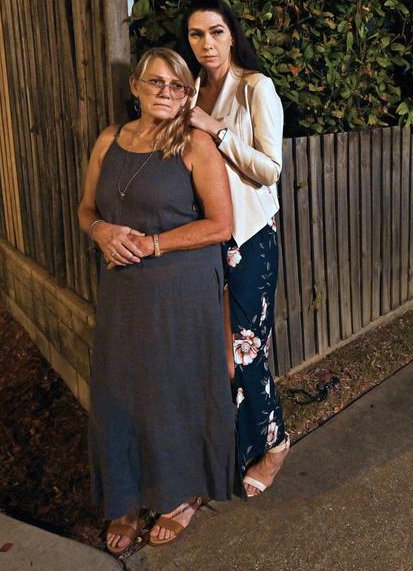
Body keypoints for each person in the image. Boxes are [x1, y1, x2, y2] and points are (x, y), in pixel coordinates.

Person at [77, 47, 236, 554]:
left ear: (188, 94)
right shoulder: (110, 139)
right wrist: (100, 229)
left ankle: (181, 495)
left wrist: (153, 244)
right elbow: (85, 209)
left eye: (178, 86)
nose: (166, 93)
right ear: (136, 88)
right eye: (156, 83)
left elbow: (221, 225)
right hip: (123, 289)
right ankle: (124, 497)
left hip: (181, 287)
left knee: (173, 392)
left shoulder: (194, 144)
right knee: (119, 390)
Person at [175, 0, 290, 498]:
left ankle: (276, 444)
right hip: (205, 238)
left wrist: (216, 131)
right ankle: (235, 449)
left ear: (232, 34)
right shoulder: (192, 89)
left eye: (216, 32)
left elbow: (270, 169)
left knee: (247, 352)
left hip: (249, 237)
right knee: (219, 357)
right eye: (197, 34)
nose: (207, 44)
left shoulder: (253, 88)